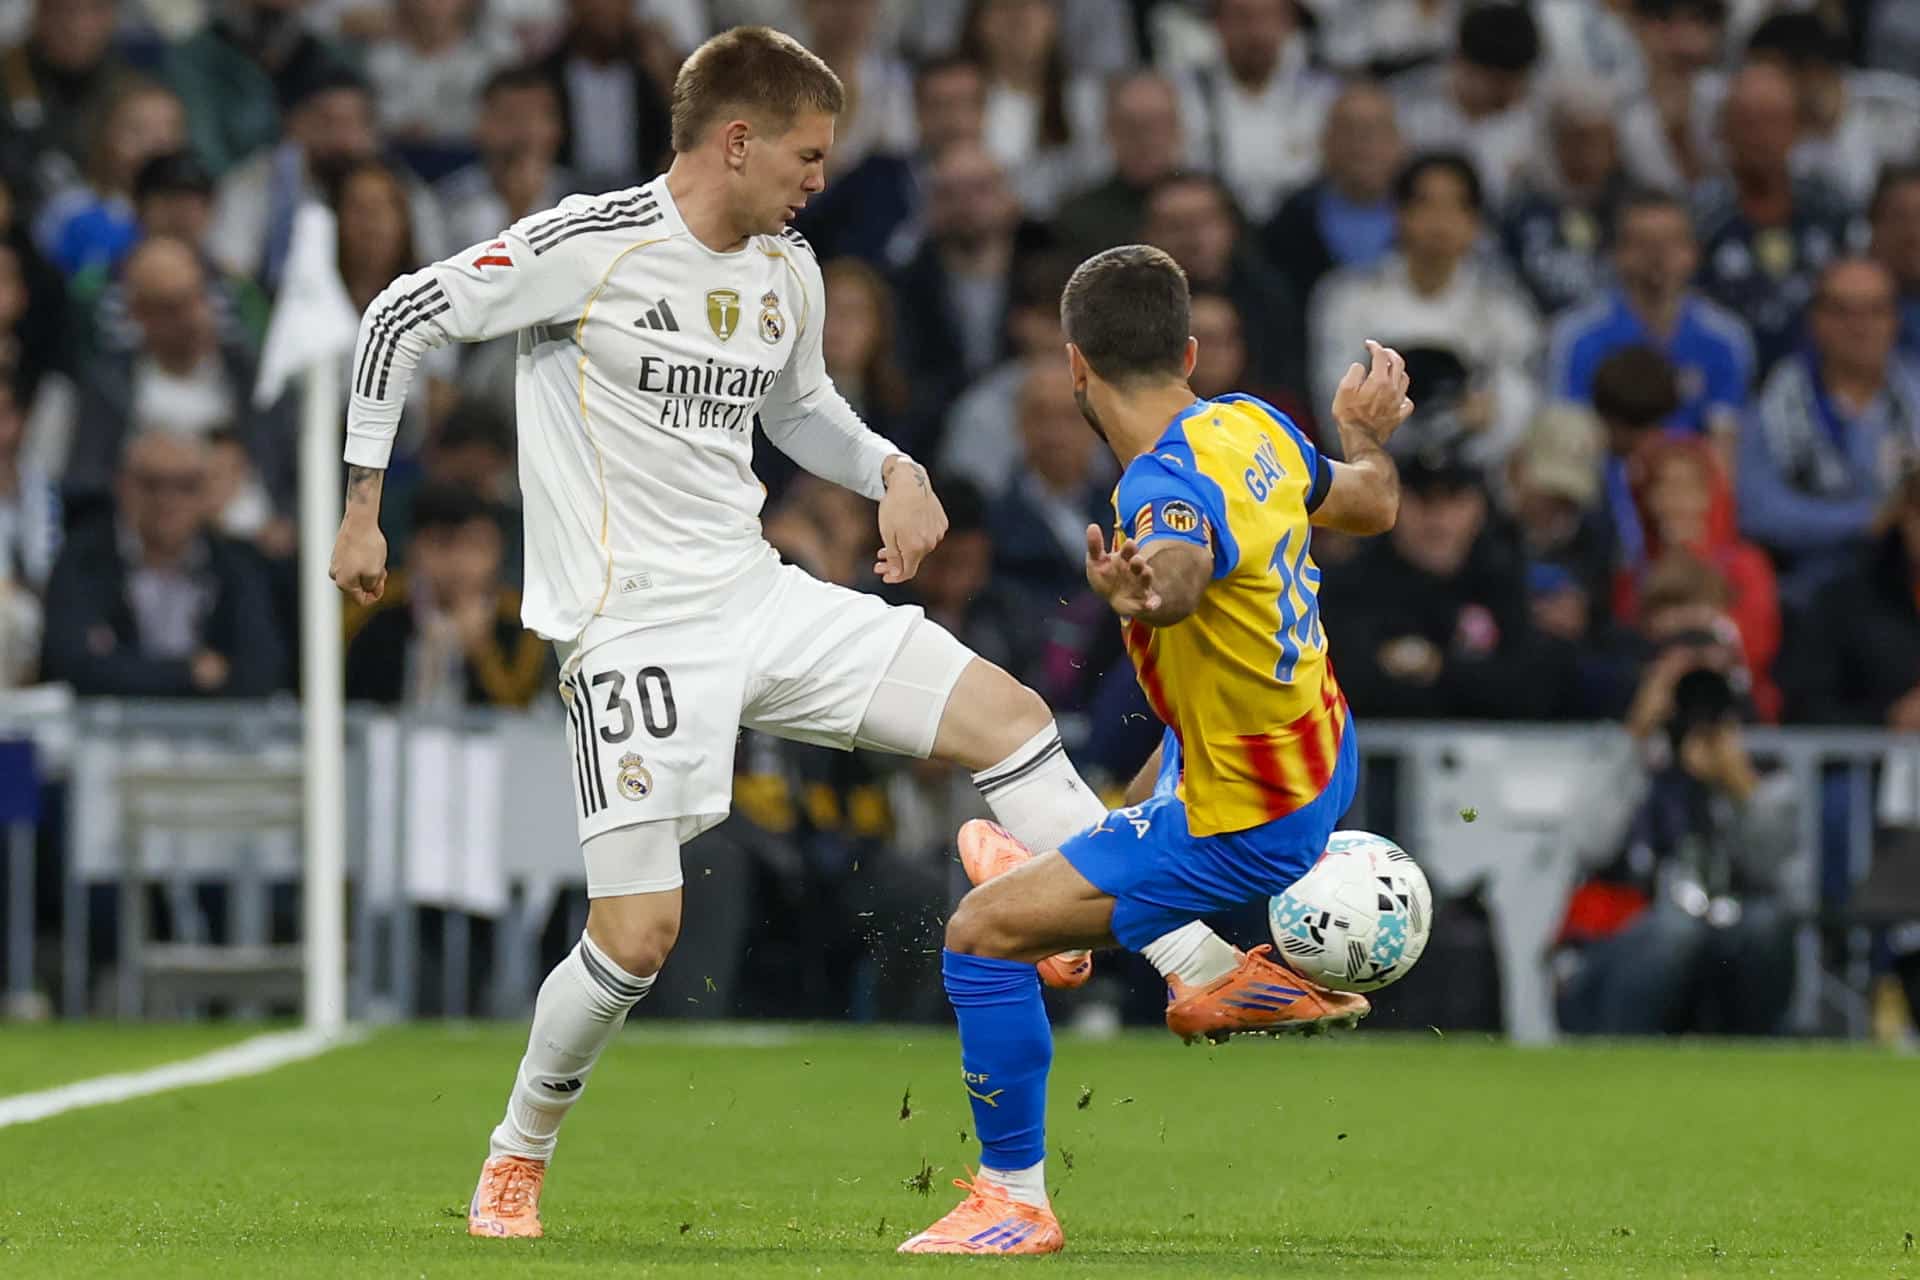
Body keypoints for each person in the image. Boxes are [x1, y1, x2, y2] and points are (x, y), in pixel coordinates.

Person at [326, 27, 1254, 1241]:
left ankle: (1194, 964)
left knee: (1010, 716)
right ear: (738, 138)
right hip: (627, 629)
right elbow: (398, 315)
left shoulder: (788, 269)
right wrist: (360, 505)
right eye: (809, 155)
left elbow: (800, 402)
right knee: (637, 937)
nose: (821, 179)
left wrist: (892, 467)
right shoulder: (590, 246)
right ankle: (517, 1151)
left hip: (758, 594)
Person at [897, 244, 1409, 1254]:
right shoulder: (1254, 425)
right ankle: (1162, 949)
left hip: (1243, 816)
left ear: (1075, 366)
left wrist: (1148, 588)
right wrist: (1361, 432)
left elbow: (1177, 557)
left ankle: (1014, 1199)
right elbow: (1374, 500)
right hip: (1313, 751)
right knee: (1135, 773)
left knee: (980, 933)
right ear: (1185, 348)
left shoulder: (1158, 485)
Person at [40, 430, 282, 697]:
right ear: (123, 485)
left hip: (215, 733)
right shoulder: (82, 559)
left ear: (206, 493)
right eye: (152, 484)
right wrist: (190, 672)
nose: (167, 501)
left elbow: (262, 670)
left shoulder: (238, 564)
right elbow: (72, 666)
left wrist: (124, 665)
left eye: (185, 485)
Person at [1739, 257, 1920, 609]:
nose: (1859, 326)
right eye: (1842, 311)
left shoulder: (1916, 393)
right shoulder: (1774, 400)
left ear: (1894, 320)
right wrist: (1866, 519)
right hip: (1811, 596)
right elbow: (1757, 511)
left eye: (1874, 310)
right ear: (1815, 321)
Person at [1546, 188, 1755, 441]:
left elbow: (1724, 447)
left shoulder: (1727, 338)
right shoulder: (1576, 336)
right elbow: (1569, 437)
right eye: (1642, 244)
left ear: (1693, 253)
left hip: (1686, 476)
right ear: (1616, 253)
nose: (1658, 257)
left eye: (1671, 243)